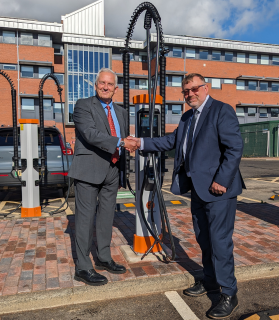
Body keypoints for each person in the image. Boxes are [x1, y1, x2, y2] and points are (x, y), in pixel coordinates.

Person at [128, 73, 244, 319]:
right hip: (198, 190)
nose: (190, 94)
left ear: (205, 87)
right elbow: (171, 141)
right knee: (204, 239)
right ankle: (211, 281)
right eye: (186, 91)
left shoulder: (221, 111)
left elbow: (234, 148)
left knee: (220, 242)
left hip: (218, 190)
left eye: (194, 89)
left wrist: (222, 181)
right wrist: (140, 142)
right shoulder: (187, 117)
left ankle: (228, 293)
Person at [68, 68, 137, 286]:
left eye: (110, 84)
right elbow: (90, 134)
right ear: (96, 85)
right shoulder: (83, 105)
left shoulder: (122, 111)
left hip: (112, 170)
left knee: (107, 217)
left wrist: (128, 146)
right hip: (89, 169)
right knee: (85, 219)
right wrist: (122, 142)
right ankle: (83, 267)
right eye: (101, 83)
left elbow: (123, 138)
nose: (105, 87)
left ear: (116, 89)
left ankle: (104, 258)